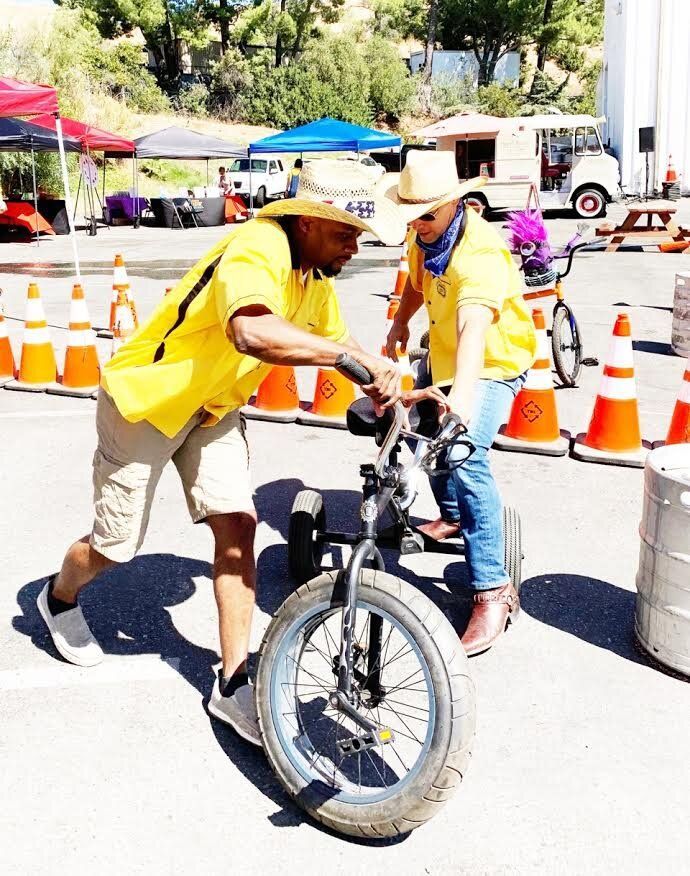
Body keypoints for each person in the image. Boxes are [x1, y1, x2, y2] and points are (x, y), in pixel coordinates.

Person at [37, 160, 408, 747]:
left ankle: (232, 684)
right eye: (345, 233)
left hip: (212, 408)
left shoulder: (312, 278)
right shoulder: (257, 246)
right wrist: (343, 362)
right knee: (114, 546)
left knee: (238, 526)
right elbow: (251, 332)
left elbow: (340, 344)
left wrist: (388, 381)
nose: (353, 247)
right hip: (149, 402)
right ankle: (58, 597)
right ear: (307, 222)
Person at [383, 151, 537, 656]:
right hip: (445, 359)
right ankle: (452, 515)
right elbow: (416, 280)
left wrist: (463, 399)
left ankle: (493, 591)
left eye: (427, 213)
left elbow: (475, 328)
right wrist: (401, 320)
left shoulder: (481, 255)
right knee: (425, 436)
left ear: (456, 204)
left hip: (493, 362)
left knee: (464, 451)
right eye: (412, 213)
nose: (419, 223)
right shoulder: (422, 235)